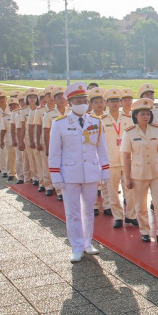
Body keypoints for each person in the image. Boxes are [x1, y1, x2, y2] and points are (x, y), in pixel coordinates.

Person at [48, 82, 110, 263]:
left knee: (89, 210)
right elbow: (54, 152)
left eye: (84, 100)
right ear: (69, 103)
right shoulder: (59, 124)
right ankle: (76, 246)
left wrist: (105, 171)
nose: (82, 103)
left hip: (90, 172)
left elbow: (102, 149)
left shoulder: (96, 122)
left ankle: (87, 243)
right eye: (78, 101)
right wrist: (56, 176)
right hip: (70, 173)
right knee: (73, 212)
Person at [121, 98, 158, 244]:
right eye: (142, 114)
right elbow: (126, 155)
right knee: (140, 204)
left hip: (157, 172)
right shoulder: (129, 133)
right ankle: (144, 231)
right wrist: (127, 178)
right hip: (139, 174)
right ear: (136, 115)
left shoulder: (156, 129)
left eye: (148, 114)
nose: (146, 117)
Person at [101, 88, 136, 228]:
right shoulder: (101, 120)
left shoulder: (128, 119)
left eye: (117, 101)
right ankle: (117, 216)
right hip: (111, 161)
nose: (115, 104)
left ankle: (131, 215)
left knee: (130, 190)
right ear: (106, 103)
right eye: (112, 101)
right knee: (113, 191)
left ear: (120, 103)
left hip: (127, 160)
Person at [87, 88, 112, 216]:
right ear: (90, 104)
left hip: (106, 153)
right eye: (96, 102)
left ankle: (108, 205)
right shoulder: (87, 119)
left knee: (107, 181)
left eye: (101, 101)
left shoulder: (109, 117)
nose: (99, 104)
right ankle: (94, 205)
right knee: (93, 182)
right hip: (91, 154)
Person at [42, 86, 69, 199]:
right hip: (56, 146)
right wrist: (49, 148)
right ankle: (59, 191)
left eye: (63, 97)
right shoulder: (49, 114)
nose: (61, 100)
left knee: (68, 168)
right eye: (58, 97)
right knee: (57, 167)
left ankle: (68, 190)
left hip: (69, 146)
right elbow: (46, 132)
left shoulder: (72, 112)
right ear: (55, 99)